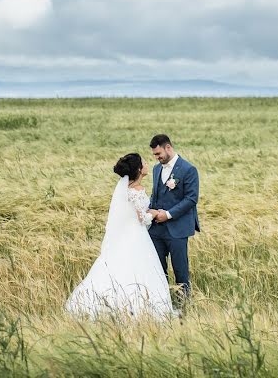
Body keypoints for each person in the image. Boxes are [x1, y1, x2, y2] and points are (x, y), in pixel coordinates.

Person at [65, 153, 174, 320]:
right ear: (139, 169)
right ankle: (140, 307)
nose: (146, 164)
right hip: (137, 237)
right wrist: (153, 213)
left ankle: (114, 304)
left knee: (120, 266)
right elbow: (142, 218)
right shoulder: (136, 190)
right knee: (139, 269)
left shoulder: (126, 190)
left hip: (128, 235)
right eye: (143, 162)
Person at [147, 134, 200, 308]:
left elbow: (191, 199)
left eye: (158, 153)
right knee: (157, 270)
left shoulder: (188, 169)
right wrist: (149, 212)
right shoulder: (156, 169)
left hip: (177, 229)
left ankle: (183, 307)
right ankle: (161, 307)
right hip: (156, 231)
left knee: (180, 271)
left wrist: (168, 214)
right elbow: (156, 195)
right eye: (155, 155)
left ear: (168, 147)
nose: (157, 157)